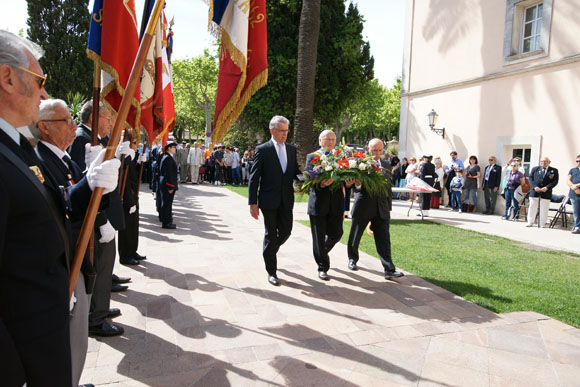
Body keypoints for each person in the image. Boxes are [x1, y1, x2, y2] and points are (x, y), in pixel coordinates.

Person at [0, 30, 118, 386]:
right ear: (7, 78)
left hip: (44, 334)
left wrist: (91, 184)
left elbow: (51, 208)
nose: (45, 93)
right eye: (39, 80)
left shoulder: (17, 146)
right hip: (23, 357)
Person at [32, 99, 92, 387]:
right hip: (63, 260)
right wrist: (89, 184)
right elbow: (61, 204)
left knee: (77, 340)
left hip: (76, 255)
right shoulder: (41, 159)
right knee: (66, 344)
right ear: (44, 128)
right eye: (66, 122)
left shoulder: (64, 157)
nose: (74, 127)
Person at [248, 115, 300, 286]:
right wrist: (252, 203)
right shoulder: (263, 150)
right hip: (268, 201)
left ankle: (269, 251)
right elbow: (254, 178)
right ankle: (272, 270)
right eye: (281, 131)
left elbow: (294, 172)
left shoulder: (292, 149)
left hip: (286, 200)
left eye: (287, 130)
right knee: (270, 233)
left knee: (286, 231)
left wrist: (308, 178)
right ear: (272, 130)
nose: (285, 134)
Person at [347, 138, 404, 280]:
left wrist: (388, 208)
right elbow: (355, 187)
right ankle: (352, 259)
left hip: (382, 209)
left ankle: (389, 269)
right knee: (355, 235)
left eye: (379, 150)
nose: (377, 153)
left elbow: (388, 188)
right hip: (364, 206)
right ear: (368, 149)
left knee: (384, 240)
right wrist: (358, 184)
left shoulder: (386, 164)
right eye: (374, 150)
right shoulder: (360, 164)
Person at [306, 130, 355, 280]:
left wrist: (349, 183)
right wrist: (320, 183)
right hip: (319, 203)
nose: (330, 142)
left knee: (337, 233)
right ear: (320, 140)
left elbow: (345, 180)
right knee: (319, 237)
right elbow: (308, 180)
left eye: (333, 139)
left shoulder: (341, 158)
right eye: (327, 139)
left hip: (336, 204)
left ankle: (320, 251)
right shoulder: (313, 156)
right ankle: (322, 266)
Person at [118, 133, 147, 261]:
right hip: (127, 198)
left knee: (133, 226)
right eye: (134, 143)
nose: (137, 145)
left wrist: (140, 162)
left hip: (133, 196)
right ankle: (126, 254)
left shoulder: (131, 156)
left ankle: (132, 250)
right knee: (127, 227)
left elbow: (133, 176)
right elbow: (124, 180)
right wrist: (129, 201)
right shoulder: (123, 157)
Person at [526, 157, 559, 228]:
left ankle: (542, 223)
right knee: (532, 207)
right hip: (535, 192)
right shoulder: (535, 169)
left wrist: (547, 187)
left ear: (549, 162)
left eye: (545, 161)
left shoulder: (554, 170)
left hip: (546, 192)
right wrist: (534, 187)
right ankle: (530, 222)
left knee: (544, 208)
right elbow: (530, 178)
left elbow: (555, 181)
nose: (543, 162)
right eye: (542, 161)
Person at [159, 142, 178, 229]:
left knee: (167, 203)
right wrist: (170, 186)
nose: (175, 149)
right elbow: (168, 173)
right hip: (167, 184)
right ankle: (166, 222)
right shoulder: (167, 158)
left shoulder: (167, 157)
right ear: (169, 148)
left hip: (166, 183)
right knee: (166, 203)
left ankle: (167, 220)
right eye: (173, 147)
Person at [567, 155, 580, 234]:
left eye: (579, 161)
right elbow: (568, 180)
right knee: (576, 212)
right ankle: (577, 226)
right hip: (573, 194)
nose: (578, 162)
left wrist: (577, 186)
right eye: (577, 161)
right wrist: (573, 186)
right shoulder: (572, 170)